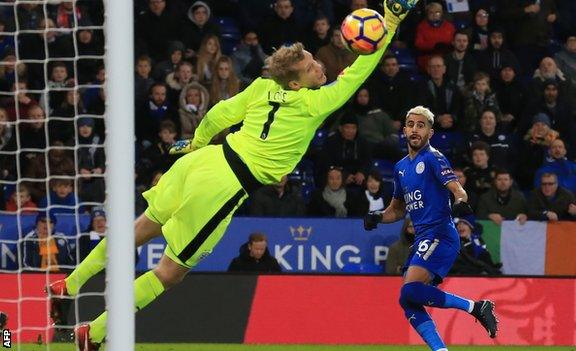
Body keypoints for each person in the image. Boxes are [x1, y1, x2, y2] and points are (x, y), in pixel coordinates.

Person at [50, 2, 416, 349]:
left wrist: (195, 145)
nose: (320, 67)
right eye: (312, 67)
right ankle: (94, 331)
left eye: (316, 62)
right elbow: (358, 72)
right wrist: (392, 22)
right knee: (169, 273)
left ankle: (69, 284)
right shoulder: (313, 104)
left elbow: (218, 116)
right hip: (223, 186)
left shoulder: (261, 86)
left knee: (139, 230)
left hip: (202, 161)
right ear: (295, 84)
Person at [363, 106, 498, 351]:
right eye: (410, 124)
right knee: (408, 299)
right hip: (424, 238)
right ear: (404, 129)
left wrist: (460, 203)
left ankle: (475, 308)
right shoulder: (401, 167)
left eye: (421, 125)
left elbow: (459, 190)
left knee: (411, 290)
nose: (414, 130)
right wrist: (377, 217)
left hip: (441, 234)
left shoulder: (433, 158)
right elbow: (398, 209)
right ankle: (442, 348)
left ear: (430, 132)